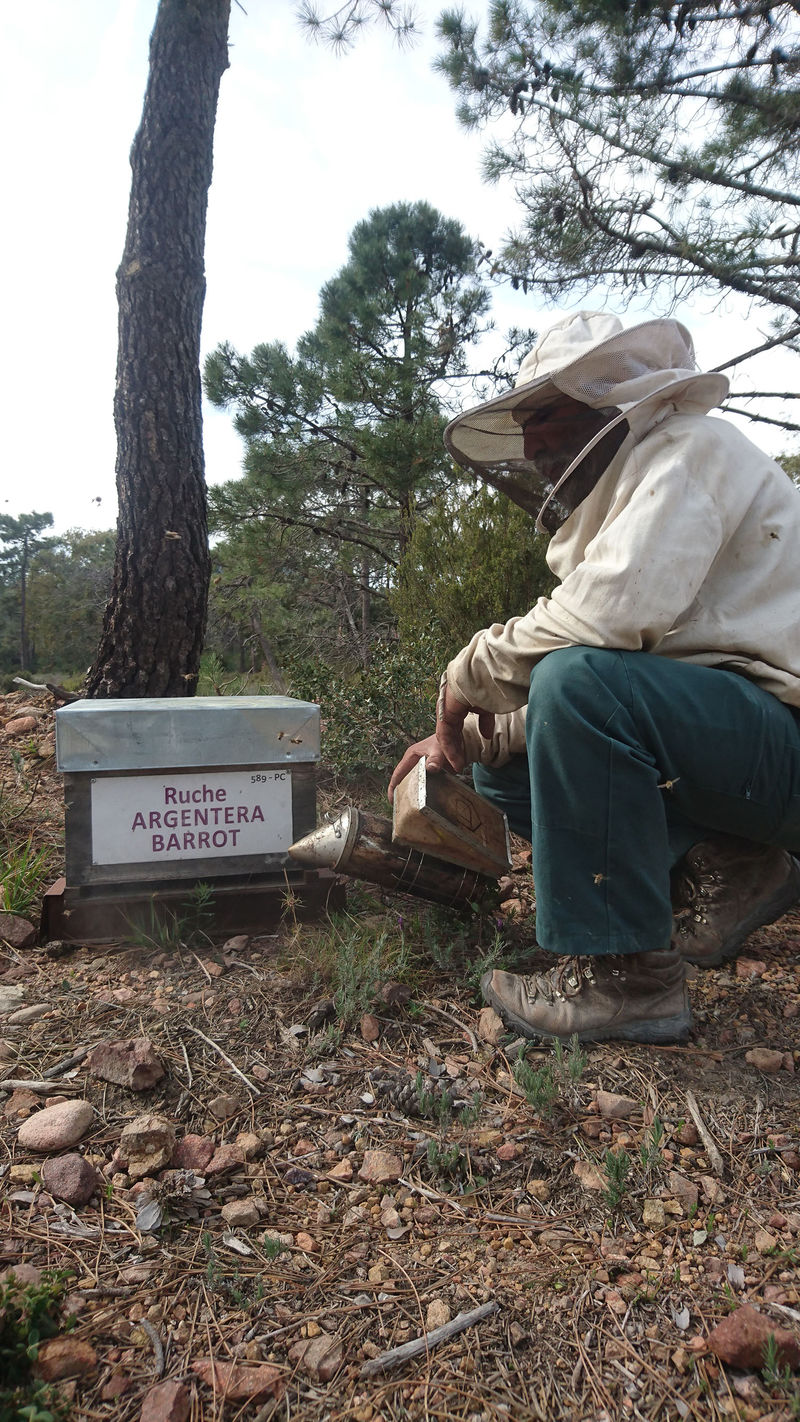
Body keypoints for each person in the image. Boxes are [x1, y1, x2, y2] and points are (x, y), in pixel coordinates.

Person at [388, 310, 800, 1045]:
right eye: (525, 425)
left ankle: (626, 977)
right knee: (507, 773)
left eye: (546, 416)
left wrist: (461, 683)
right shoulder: (636, 496)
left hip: (783, 745)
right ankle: (729, 868)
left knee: (574, 683)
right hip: (736, 749)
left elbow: (602, 633)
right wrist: (470, 741)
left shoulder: (690, 452)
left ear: (611, 403)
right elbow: (624, 683)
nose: (532, 443)